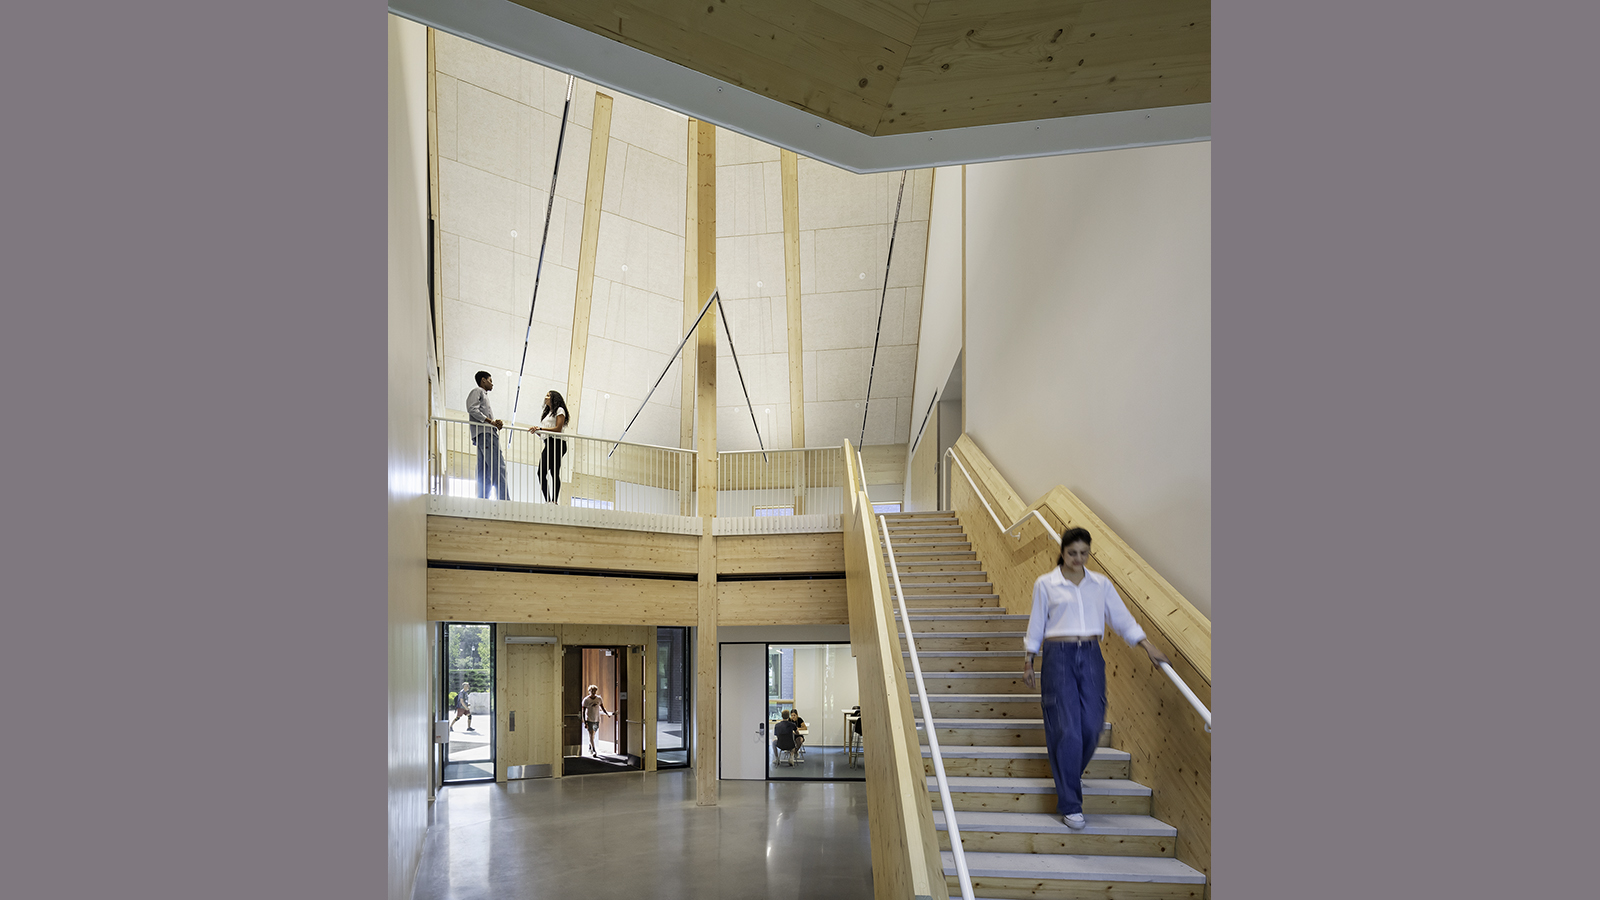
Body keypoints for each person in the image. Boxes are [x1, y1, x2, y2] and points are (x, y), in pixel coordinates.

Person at [1022, 527, 1170, 830]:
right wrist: (1029, 660)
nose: (1078, 559)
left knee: (1091, 725)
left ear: (1089, 553)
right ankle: (1071, 805)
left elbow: (1121, 618)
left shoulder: (1100, 585)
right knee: (1068, 731)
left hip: (1090, 655)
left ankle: (1069, 772)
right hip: (1058, 656)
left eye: (1084, 553)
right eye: (1072, 553)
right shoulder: (1045, 584)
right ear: (1062, 552)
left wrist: (1146, 645)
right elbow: (1037, 622)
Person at [466, 371, 508, 500]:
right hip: (487, 435)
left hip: (483, 435)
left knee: (484, 470)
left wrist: (494, 423)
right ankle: (504, 500)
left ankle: (482, 499)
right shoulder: (477, 391)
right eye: (490, 380)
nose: (492, 383)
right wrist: (491, 422)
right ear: (483, 380)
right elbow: (472, 408)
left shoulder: (483, 395)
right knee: (498, 468)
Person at [528, 389, 570, 503]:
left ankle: (554, 501)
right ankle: (549, 501)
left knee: (553, 472)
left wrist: (540, 428)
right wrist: (537, 431)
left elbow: (558, 429)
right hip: (549, 442)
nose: (545, 397)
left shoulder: (560, 410)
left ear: (554, 398)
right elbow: (546, 432)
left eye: (548, 395)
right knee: (542, 473)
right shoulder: (547, 414)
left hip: (557, 442)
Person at [580, 684, 613, 756]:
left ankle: (590, 744)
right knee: (591, 734)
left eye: (594, 691)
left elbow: (602, 707)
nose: (593, 692)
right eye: (591, 691)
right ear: (589, 691)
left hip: (597, 719)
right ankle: (594, 750)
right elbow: (583, 711)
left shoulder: (599, 699)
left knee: (593, 735)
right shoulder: (586, 700)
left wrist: (607, 714)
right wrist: (584, 721)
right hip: (589, 719)